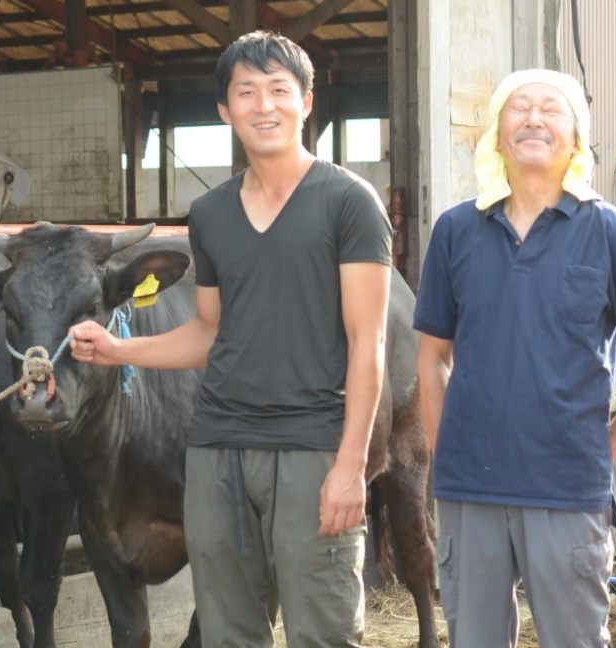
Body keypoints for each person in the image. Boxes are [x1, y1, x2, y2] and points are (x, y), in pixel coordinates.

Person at [69, 30, 393, 647]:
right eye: (246, 92)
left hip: (311, 450)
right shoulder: (211, 214)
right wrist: (119, 349)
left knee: (322, 630)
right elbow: (209, 332)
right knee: (227, 632)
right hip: (217, 452)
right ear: (225, 110)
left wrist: (350, 466)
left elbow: (367, 340)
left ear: (305, 101)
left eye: (279, 90)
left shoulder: (349, 202)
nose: (263, 105)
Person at [414, 69, 616, 648]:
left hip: (567, 489)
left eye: (551, 110)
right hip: (470, 489)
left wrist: (604, 447)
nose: (534, 119)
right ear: (497, 131)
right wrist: (445, 445)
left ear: (576, 137)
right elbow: (433, 354)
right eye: (519, 108)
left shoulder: (611, 235)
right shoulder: (456, 231)